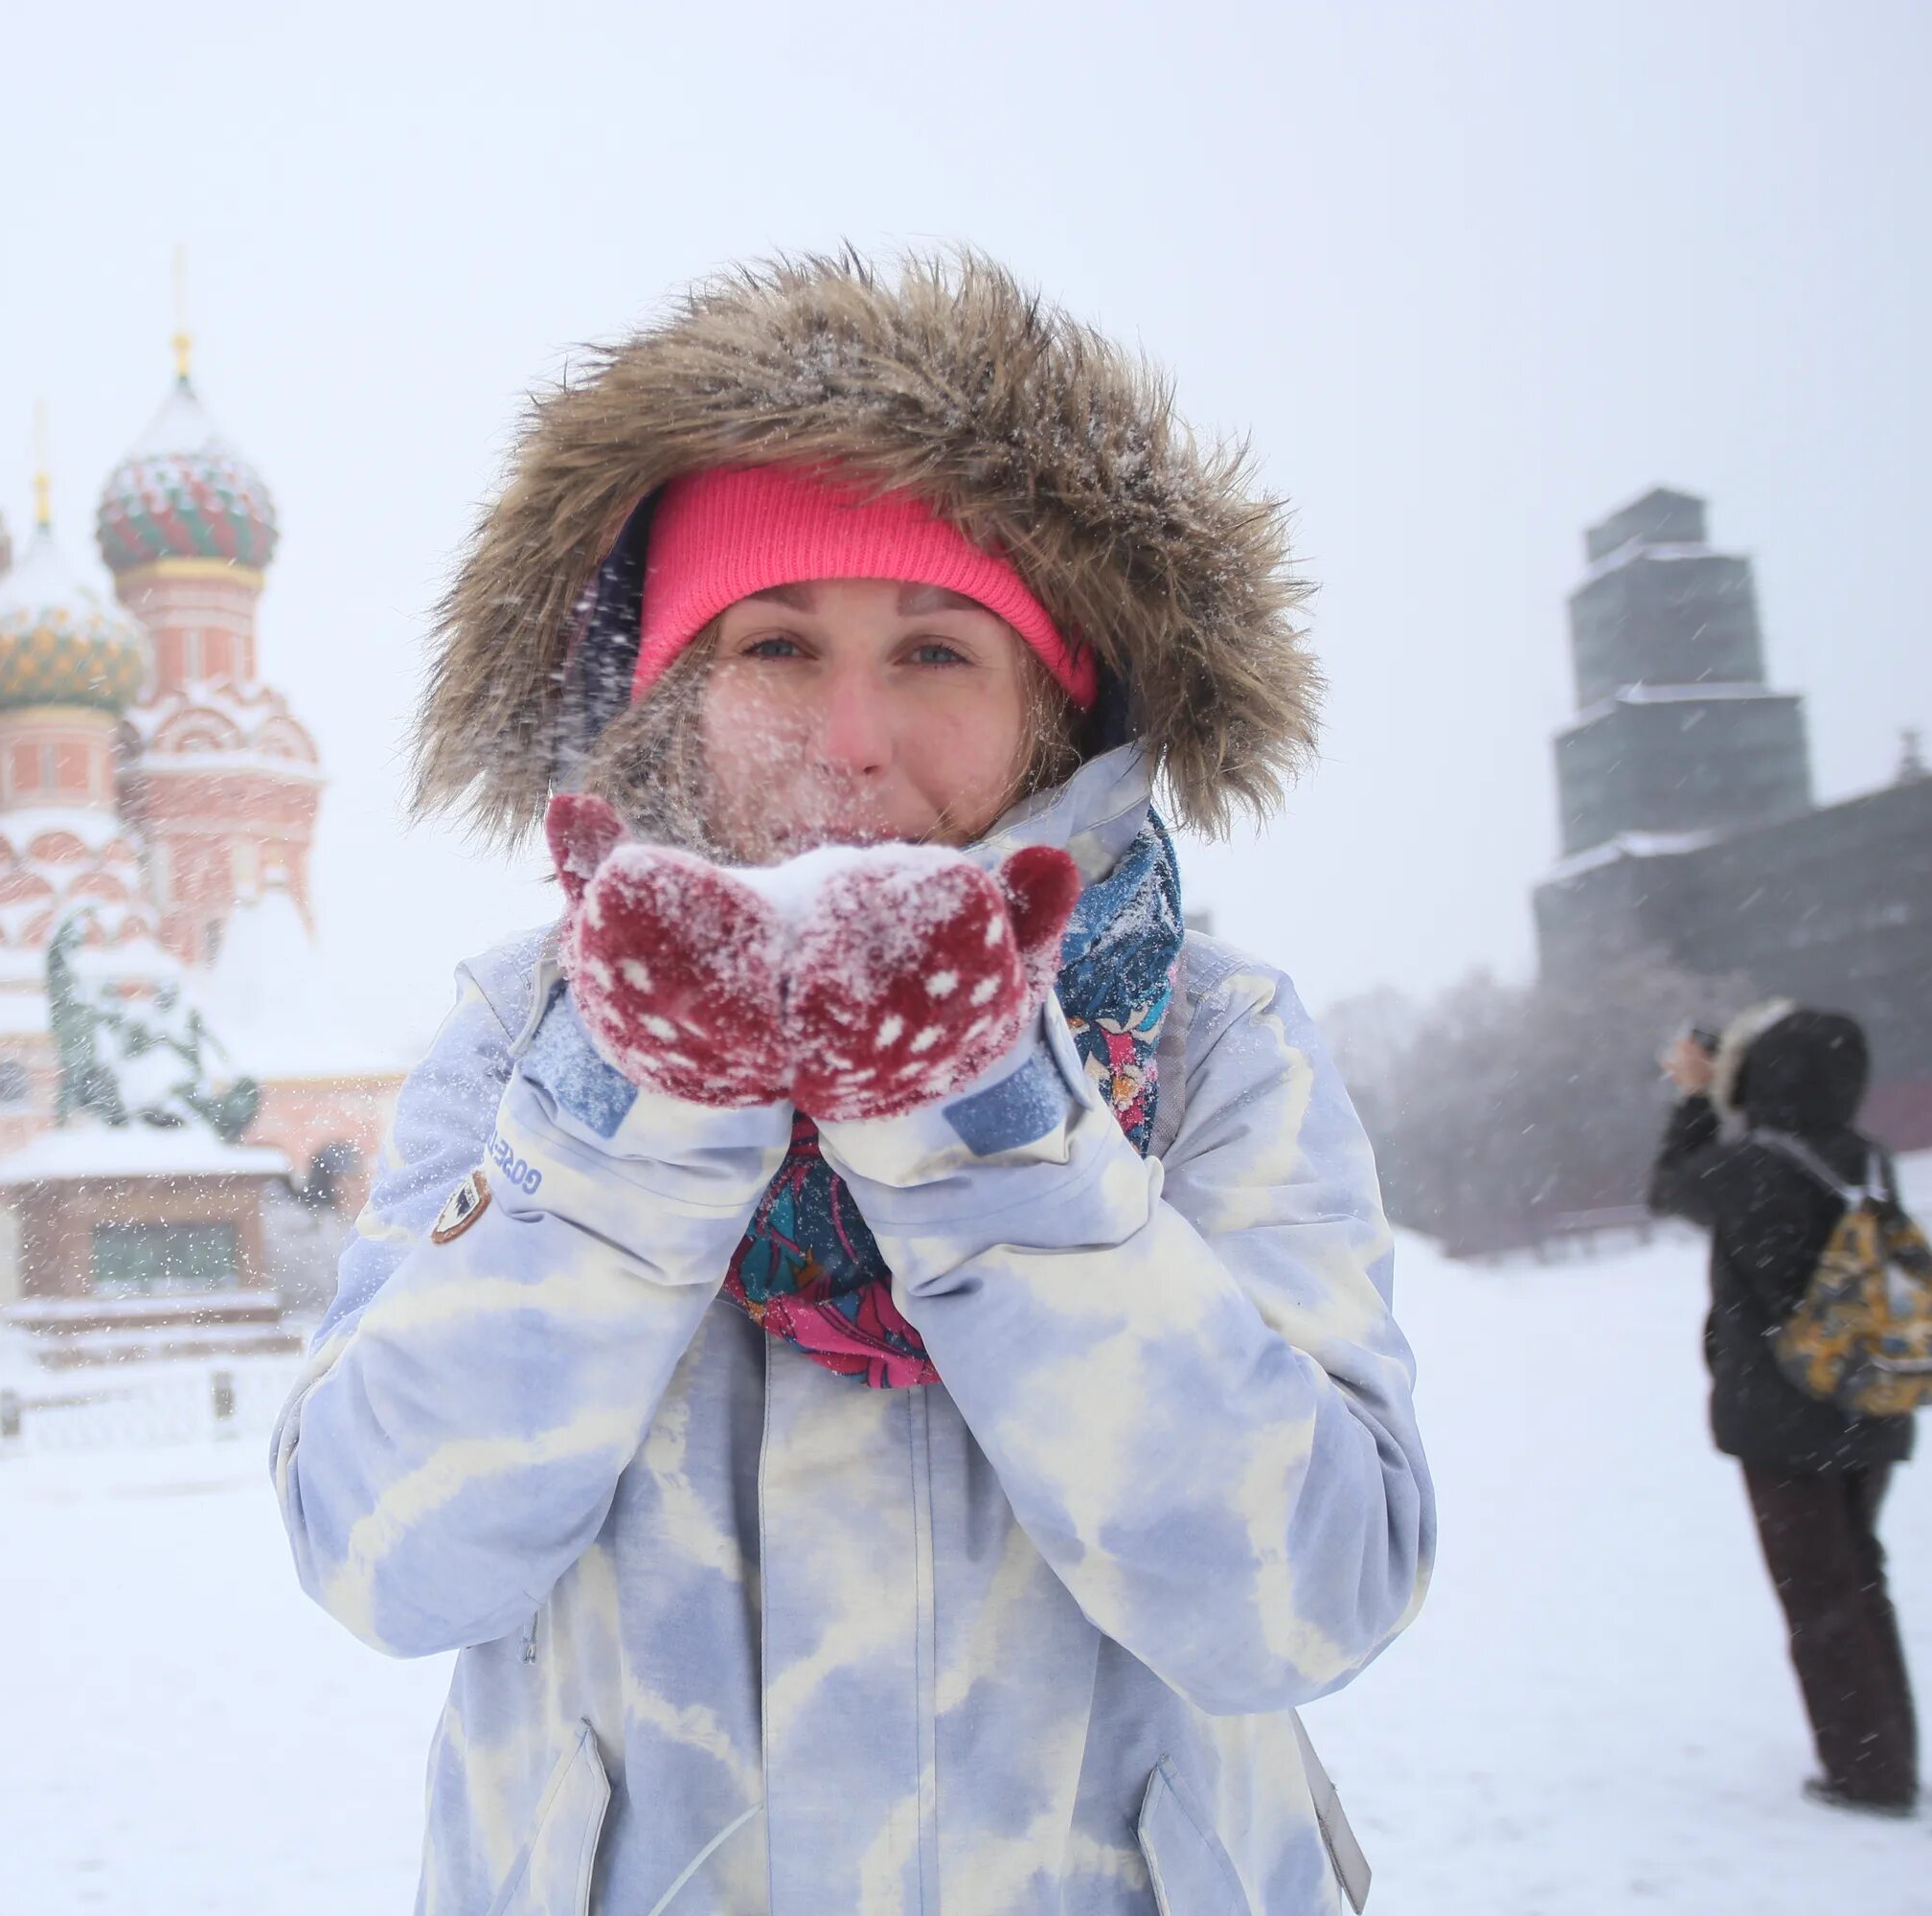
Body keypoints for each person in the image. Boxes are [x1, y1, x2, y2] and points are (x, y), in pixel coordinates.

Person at [272, 252, 1435, 1914]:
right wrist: (642, 1111)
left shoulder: (1208, 1043)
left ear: (1054, 702)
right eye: (776, 644)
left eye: (940, 652)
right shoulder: (525, 1037)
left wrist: (985, 1119)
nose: (852, 736)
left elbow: (1305, 1594)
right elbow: (386, 1552)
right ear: (674, 698)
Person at [1651, 1002, 1920, 1817]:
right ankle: (1888, 1752)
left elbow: (1669, 1188)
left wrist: (1695, 1098)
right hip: (1869, 1397)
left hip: (1783, 1418)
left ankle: (1867, 1776)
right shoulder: (1864, 1158)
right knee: (1860, 1577)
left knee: (1820, 1596)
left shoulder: (1751, 1166)